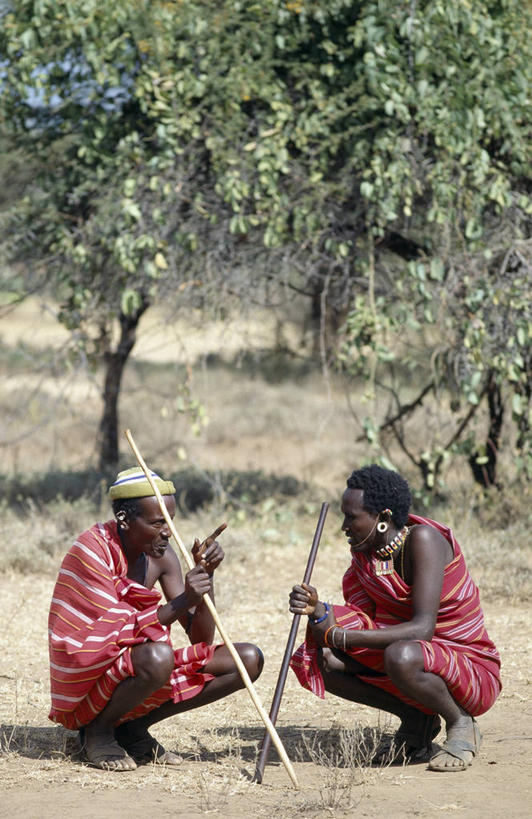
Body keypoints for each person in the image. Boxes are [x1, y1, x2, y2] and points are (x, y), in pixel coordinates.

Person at [48, 467, 264, 771]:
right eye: (157, 522)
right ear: (123, 519)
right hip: (88, 679)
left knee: (247, 660)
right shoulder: (92, 549)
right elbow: (108, 634)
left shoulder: (162, 556)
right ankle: (97, 732)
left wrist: (206, 577)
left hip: (138, 668)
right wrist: (184, 599)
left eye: (171, 521)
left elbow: (201, 639)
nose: (168, 532)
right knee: (158, 656)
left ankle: (132, 729)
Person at [289, 464, 501, 772]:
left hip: (468, 667)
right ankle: (416, 721)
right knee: (322, 660)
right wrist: (317, 609)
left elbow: (422, 629)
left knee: (400, 654)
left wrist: (340, 635)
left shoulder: (424, 540)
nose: (344, 526)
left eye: (352, 517)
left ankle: (460, 722)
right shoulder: (367, 556)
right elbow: (365, 620)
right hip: (413, 656)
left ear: (383, 519)